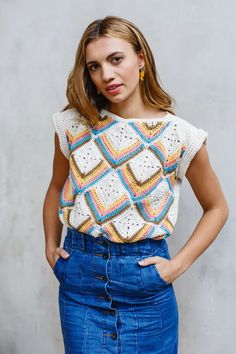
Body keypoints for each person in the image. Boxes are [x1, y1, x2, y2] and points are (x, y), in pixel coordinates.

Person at [42, 15, 229, 354]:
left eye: (116, 59)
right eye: (95, 66)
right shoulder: (72, 125)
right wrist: (51, 248)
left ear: (140, 58)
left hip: (145, 286)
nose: (106, 75)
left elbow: (217, 207)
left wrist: (176, 266)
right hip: (80, 285)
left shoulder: (180, 136)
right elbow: (56, 186)